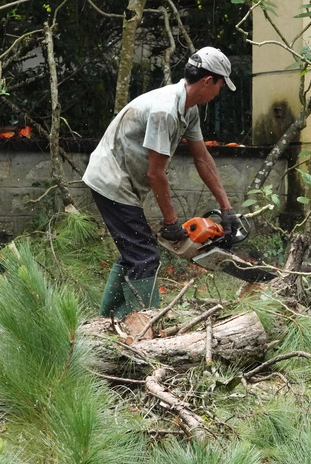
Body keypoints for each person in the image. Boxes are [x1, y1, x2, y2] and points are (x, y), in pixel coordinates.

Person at [83, 47, 241, 318]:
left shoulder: (188, 110)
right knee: (145, 257)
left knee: (135, 252)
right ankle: (144, 326)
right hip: (111, 179)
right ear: (207, 81)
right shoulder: (165, 110)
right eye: (220, 85)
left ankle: (110, 319)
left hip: (124, 183)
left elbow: (202, 158)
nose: (219, 92)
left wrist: (226, 209)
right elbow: (156, 174)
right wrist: (171, 222)